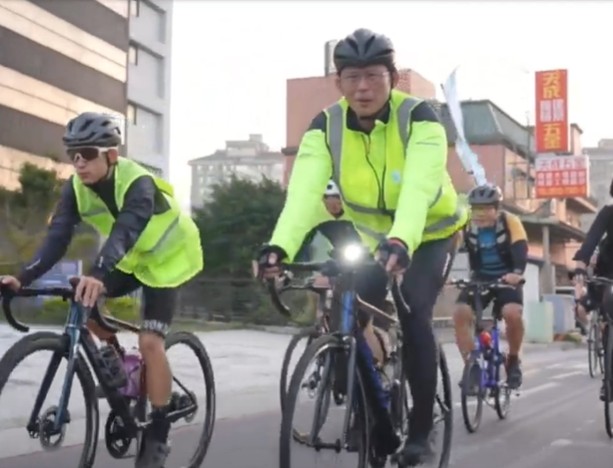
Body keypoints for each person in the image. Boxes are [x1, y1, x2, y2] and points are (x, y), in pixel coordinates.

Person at [256, 28, 468, 465]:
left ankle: (422, 429)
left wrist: (402, 239)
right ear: (339, 82)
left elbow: (419, 186)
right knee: (347, 313)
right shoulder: (325, 127)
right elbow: (302, 197)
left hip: (430, 234)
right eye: (352, 78)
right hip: (375, 239)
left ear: (393, 77)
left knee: (413, 311)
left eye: (373, 76)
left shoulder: (421, 118)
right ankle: (373, 408)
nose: (363, 87)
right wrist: (279, 248)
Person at [0, 112, 203, 468]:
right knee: (86, 298)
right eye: (72, 155)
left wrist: (99, 272)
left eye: (88, 154)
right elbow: (57, 238)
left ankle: (158, 431)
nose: (79, 164)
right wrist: (23, 277)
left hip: (170, 257)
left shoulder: (137, 182)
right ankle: (120, 368)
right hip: (133, 257)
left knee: (151, 343)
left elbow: (126, 228)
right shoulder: (76, 188)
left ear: (111, 154)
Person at [452, 184, 527, 391]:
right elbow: (452, 249)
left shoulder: (511, 222)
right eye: (476, 209)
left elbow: (521, 249)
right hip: (480, 278)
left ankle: (513, 361)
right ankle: (472, 367)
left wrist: (517, 273)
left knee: (512, 313)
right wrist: (442, 276)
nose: (480, 214)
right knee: (460, 313)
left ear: (497, 208)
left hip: (506, 278)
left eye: (485, 208)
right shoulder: (467, 225)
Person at [572, 193, 613, 401]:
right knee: (605, 308)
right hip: (607, 275)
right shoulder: (607, 213)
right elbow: (591, 240)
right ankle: (609, 379)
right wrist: (580, 265)